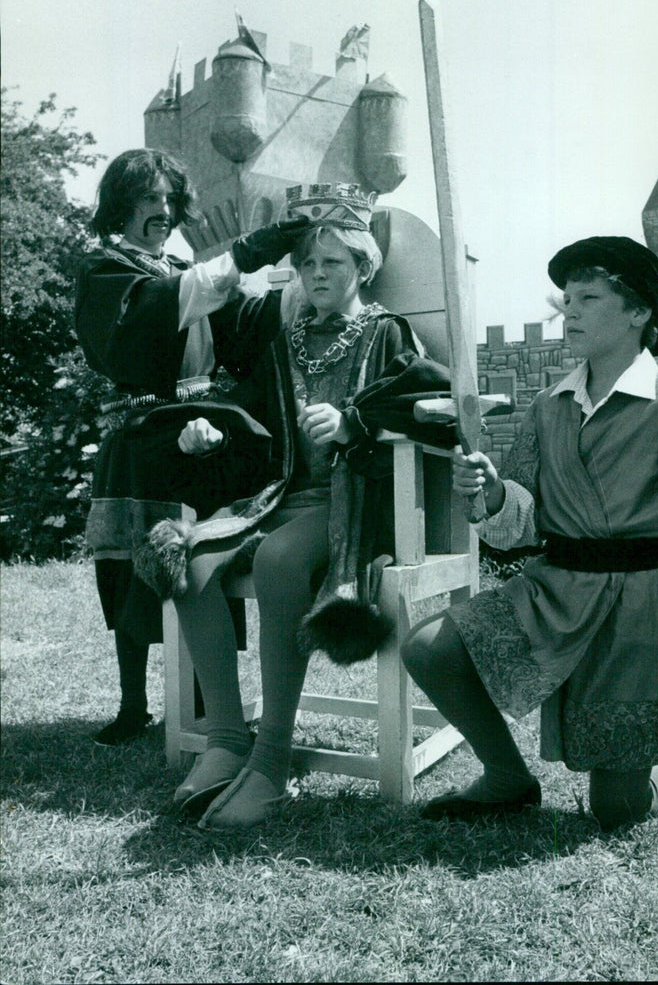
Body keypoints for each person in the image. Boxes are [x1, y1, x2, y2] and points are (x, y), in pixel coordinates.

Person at [401, 236, 658, 831]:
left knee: (618, 809)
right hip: (556, 592)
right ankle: (507, 778)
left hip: (644, 613)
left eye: (589, 297)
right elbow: (519, 526)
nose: (570, 310)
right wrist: (493, 494)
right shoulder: (550, 405)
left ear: (639, 312)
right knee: (429, 648)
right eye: (567, 298)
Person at [132, 183, 452, 827]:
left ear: (363, 265)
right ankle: (227, 740)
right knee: (188, 557)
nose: (316, 275)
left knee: (279, 561)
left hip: (356, 503)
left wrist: (354, 421)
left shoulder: (389, 334)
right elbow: (247, 409)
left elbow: (436, 407)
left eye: (331, 263)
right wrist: (212, 429)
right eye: (307, 264)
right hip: (280, 495)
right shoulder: (289, 341)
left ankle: (272, 763)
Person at [76, 148, 307, 746]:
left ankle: (210, 704)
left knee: (204, 557)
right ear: (121, 205)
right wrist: (255, 247)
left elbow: (237, 329)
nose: (162, 210)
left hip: (199, 438)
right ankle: (133, 707)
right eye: (148, 199)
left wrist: (303, 284)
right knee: (133, 565)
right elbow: (158, 314)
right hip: (139, 435)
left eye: (169, 200)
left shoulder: (178, 269)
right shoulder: (104, 269)